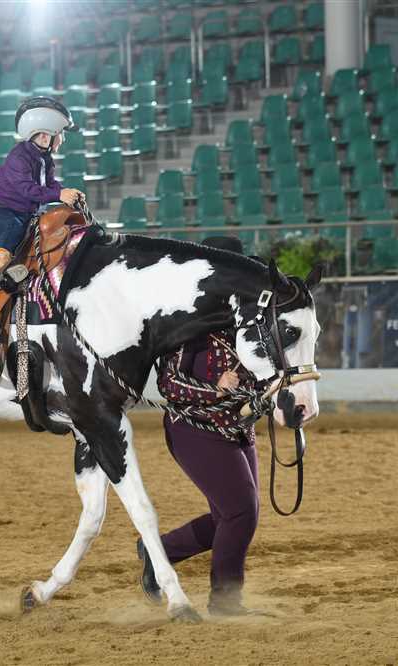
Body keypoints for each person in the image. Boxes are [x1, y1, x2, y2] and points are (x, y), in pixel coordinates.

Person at [138, 236, 263, 617]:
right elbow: (169, 383)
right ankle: (225, 602)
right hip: (194, 428)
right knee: (240, 513)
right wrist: (217, 389)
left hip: (237, 427)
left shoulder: (243, 322)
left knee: (233, 515)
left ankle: (159, 551)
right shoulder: (187, 321)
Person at [0, 96, 85, 292]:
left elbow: (50, 184)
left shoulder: (45, 158)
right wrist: (59, 195)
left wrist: (65, 192)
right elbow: (27, 189)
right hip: (0, 210)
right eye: (60, 134)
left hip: (24, 210)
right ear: (45, 136)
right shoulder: (19, 158)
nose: (63, 139)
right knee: (14, 226)